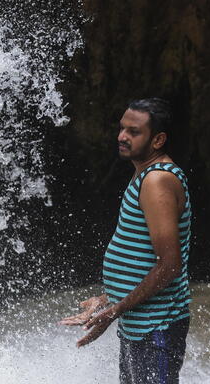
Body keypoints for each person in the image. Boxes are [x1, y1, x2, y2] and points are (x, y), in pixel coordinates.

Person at [59, 98, 192, 383]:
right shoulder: (143, 173)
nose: (122, 136)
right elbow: (144, 257)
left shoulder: (157, 180)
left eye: (134, 132)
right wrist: (109, 299)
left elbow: (169, 265)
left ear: (158, 139)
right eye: (122, 128)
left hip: (158, 327)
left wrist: (114, 311)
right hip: (139, 325)